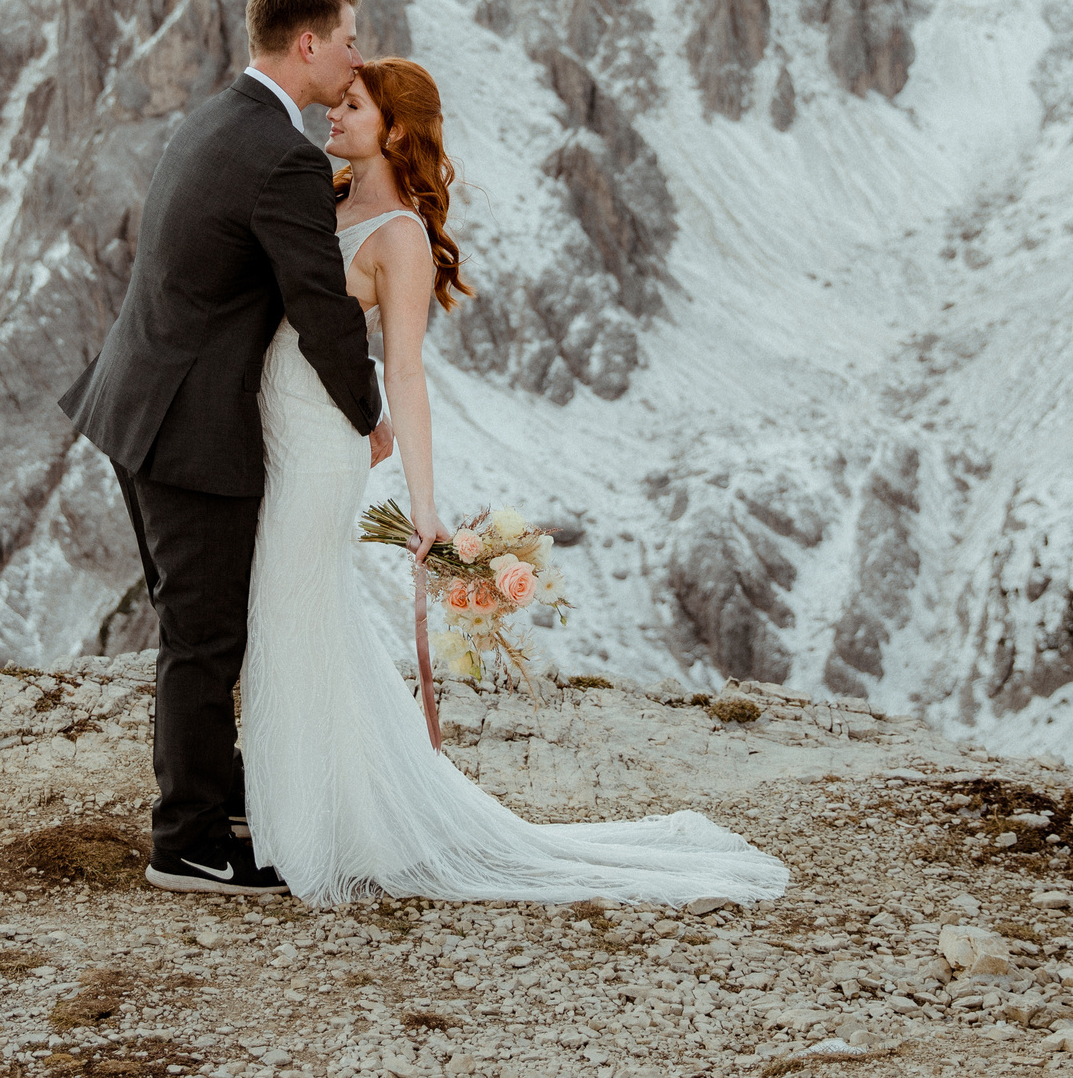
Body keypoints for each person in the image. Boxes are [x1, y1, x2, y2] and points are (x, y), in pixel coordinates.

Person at [236, 55, 792, 908]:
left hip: (320, 448)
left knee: (292, 605)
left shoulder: (401, 239)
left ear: (395, 130)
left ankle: (316, 827)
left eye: (352, 106)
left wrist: (424, 508)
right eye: (338, 100)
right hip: (277, 432)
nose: (333, 115)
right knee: (295, 615)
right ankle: (310, 808)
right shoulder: (321, 197)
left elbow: (409, 375)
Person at [58, 0, 390, 894]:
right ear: (309, 45)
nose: (359, 55)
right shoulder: (281, 153)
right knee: (204, 637)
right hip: (190, 431)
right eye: (351, 38)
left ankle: (217, 790)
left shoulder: (216, 118)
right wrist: (370, 413)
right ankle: (190, 842)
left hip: (137, 406)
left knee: (193, 624)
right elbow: (320, 305)